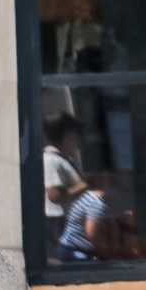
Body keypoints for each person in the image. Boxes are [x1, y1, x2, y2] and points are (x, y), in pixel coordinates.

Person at [42, 111, 87, 259]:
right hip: (56, 223)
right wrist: (85, 186)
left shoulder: (62, 159)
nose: (77, 140)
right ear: (66, 136)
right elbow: (55, 195)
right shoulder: (51, 160)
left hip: (65, 222)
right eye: (74, 134)